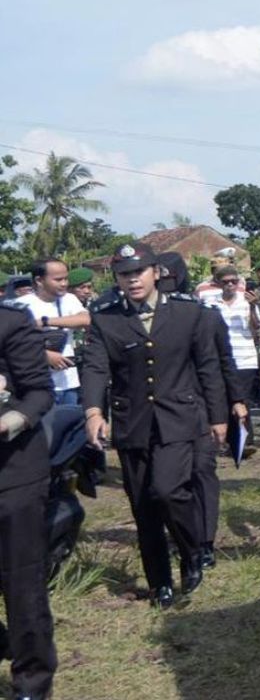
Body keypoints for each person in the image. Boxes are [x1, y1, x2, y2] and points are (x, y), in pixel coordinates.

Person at [81, 243, 227, 609]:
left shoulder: (187, 313)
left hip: (179, 417)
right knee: (144, 506)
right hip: (133, 422)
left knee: (167, 491)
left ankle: (192, 550)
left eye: (139, 272)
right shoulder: (105, 317)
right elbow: (96, 368)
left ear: (156, 273)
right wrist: (93, 413)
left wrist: (218, 415)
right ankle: (159, 581)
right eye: (124, 274)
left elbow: (207, 366)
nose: (132, 280)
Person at [158, 252, 250, 570]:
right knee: (172, 480)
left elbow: (225, 362)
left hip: (203, 406)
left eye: (171, 282)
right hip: (165, 411)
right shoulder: (148, 321)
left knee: (202, 472)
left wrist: (236, 402)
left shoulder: (206, 316)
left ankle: (205, 541)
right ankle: (183, 536)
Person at [0, 299, 58, 700]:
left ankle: (32, 682)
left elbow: (38, 392)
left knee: (22, 582)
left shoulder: (9, 322)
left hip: (12, 470)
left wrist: (7, 421)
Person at [17, 259, 90, 406]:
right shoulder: (21, 305)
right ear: (39, 280)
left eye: (65, 278)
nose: (64, 283)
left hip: (68, 382)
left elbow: (85, 320)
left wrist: (44, 322)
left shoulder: (68, 299)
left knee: (70, 424)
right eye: (58, 279)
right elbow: (13, 344)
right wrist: (43, 355)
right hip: (36, 385)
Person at [210, 264, 260, 455]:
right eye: (226, 282)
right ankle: (230, 440)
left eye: (234, 281)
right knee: (224, 399)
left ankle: (244, 442)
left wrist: (254, 307)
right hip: (221, 358)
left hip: (245, 357)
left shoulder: (247, 301)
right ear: (218, 283)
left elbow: (257, 328)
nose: (230, 285)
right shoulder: (212, 303)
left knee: (242, 401)